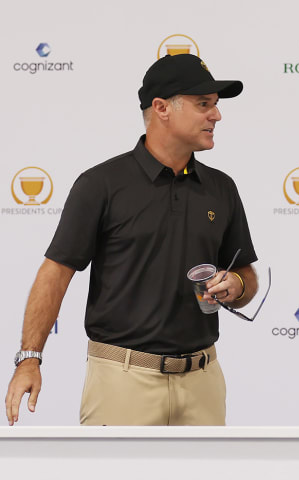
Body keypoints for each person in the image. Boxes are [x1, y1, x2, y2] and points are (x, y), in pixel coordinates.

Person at [5, 54, 259, 426]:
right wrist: (30, 359)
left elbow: (246, 276)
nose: (216, 116)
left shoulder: (222, 188)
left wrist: (236, 284)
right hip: (122, 383)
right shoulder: (101, 185)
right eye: (203, 104)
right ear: (161, 109)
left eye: (216, 106)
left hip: (204, 382)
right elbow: (55, 272)